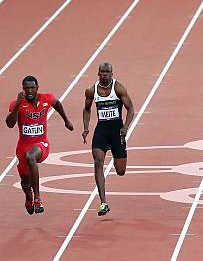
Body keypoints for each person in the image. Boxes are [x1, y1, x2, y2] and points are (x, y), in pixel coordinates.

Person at [6, 75, 74, 214]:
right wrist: (18, 104)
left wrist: (66, 120)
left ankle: (38, 198)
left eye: (32, 87)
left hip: (41, 143)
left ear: (37, 88)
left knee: (31, 157)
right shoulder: (16, 104)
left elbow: (57, 103)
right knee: (25, 183)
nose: (30, 91)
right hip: (22, 147)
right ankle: (28, 197)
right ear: (23, 89)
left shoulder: (46, 98)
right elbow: (10, 124)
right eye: (27, 88)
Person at [83, 63, 134, 216]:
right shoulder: (91, 90)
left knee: (120, 171)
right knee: (98, 161)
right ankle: (103, 202)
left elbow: (130, 108)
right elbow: (86, 109)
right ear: (98, 73)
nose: (105, 74)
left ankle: (120, 154)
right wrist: (86, 127)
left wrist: (125, 127)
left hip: (117, 132)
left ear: (112, 74)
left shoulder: (118, 88)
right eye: (102, 72)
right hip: (101, 131)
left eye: (108, 72)